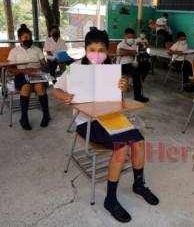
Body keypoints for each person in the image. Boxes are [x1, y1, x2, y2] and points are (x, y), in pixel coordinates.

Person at [52, 29, 159, 223]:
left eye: (101, 50)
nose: (97, 54)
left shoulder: (111, 68)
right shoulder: (74, 68)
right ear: (85, 49)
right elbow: (56, 88)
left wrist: (122, 88)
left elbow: (117, 99)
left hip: (110, 117)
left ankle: (139, 184)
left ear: (107, 51)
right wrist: (64, 96)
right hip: (87, 121)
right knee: (122, 146)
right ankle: (110, 199)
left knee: (140, 142)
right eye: (92, 49)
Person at [7, 24, 50, 130]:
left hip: (36, 74)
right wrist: (24, 70)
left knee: (39, 86)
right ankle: (24, 118)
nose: (29, 39)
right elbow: (10, 69)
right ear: (20, 39)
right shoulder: (14, 51)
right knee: (26, 87)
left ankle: (46, 115)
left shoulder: (37, 50)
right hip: (21, 75)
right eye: (26, 37)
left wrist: (43, 66)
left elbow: (44, 65)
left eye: (30, 37)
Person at [117, 28, 149, 103]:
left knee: (146, 64)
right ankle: (137, 96)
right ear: (125, 36)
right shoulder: (121, 44)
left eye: (132, 37)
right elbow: (120, 52)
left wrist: (136, 59)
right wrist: (132, 52)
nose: (130, 39)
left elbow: (136, 53)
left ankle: (139, 91)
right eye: (129, 37)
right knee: (137, 74)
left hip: (131, 64)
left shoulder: (134, 44)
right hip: (122, 65)